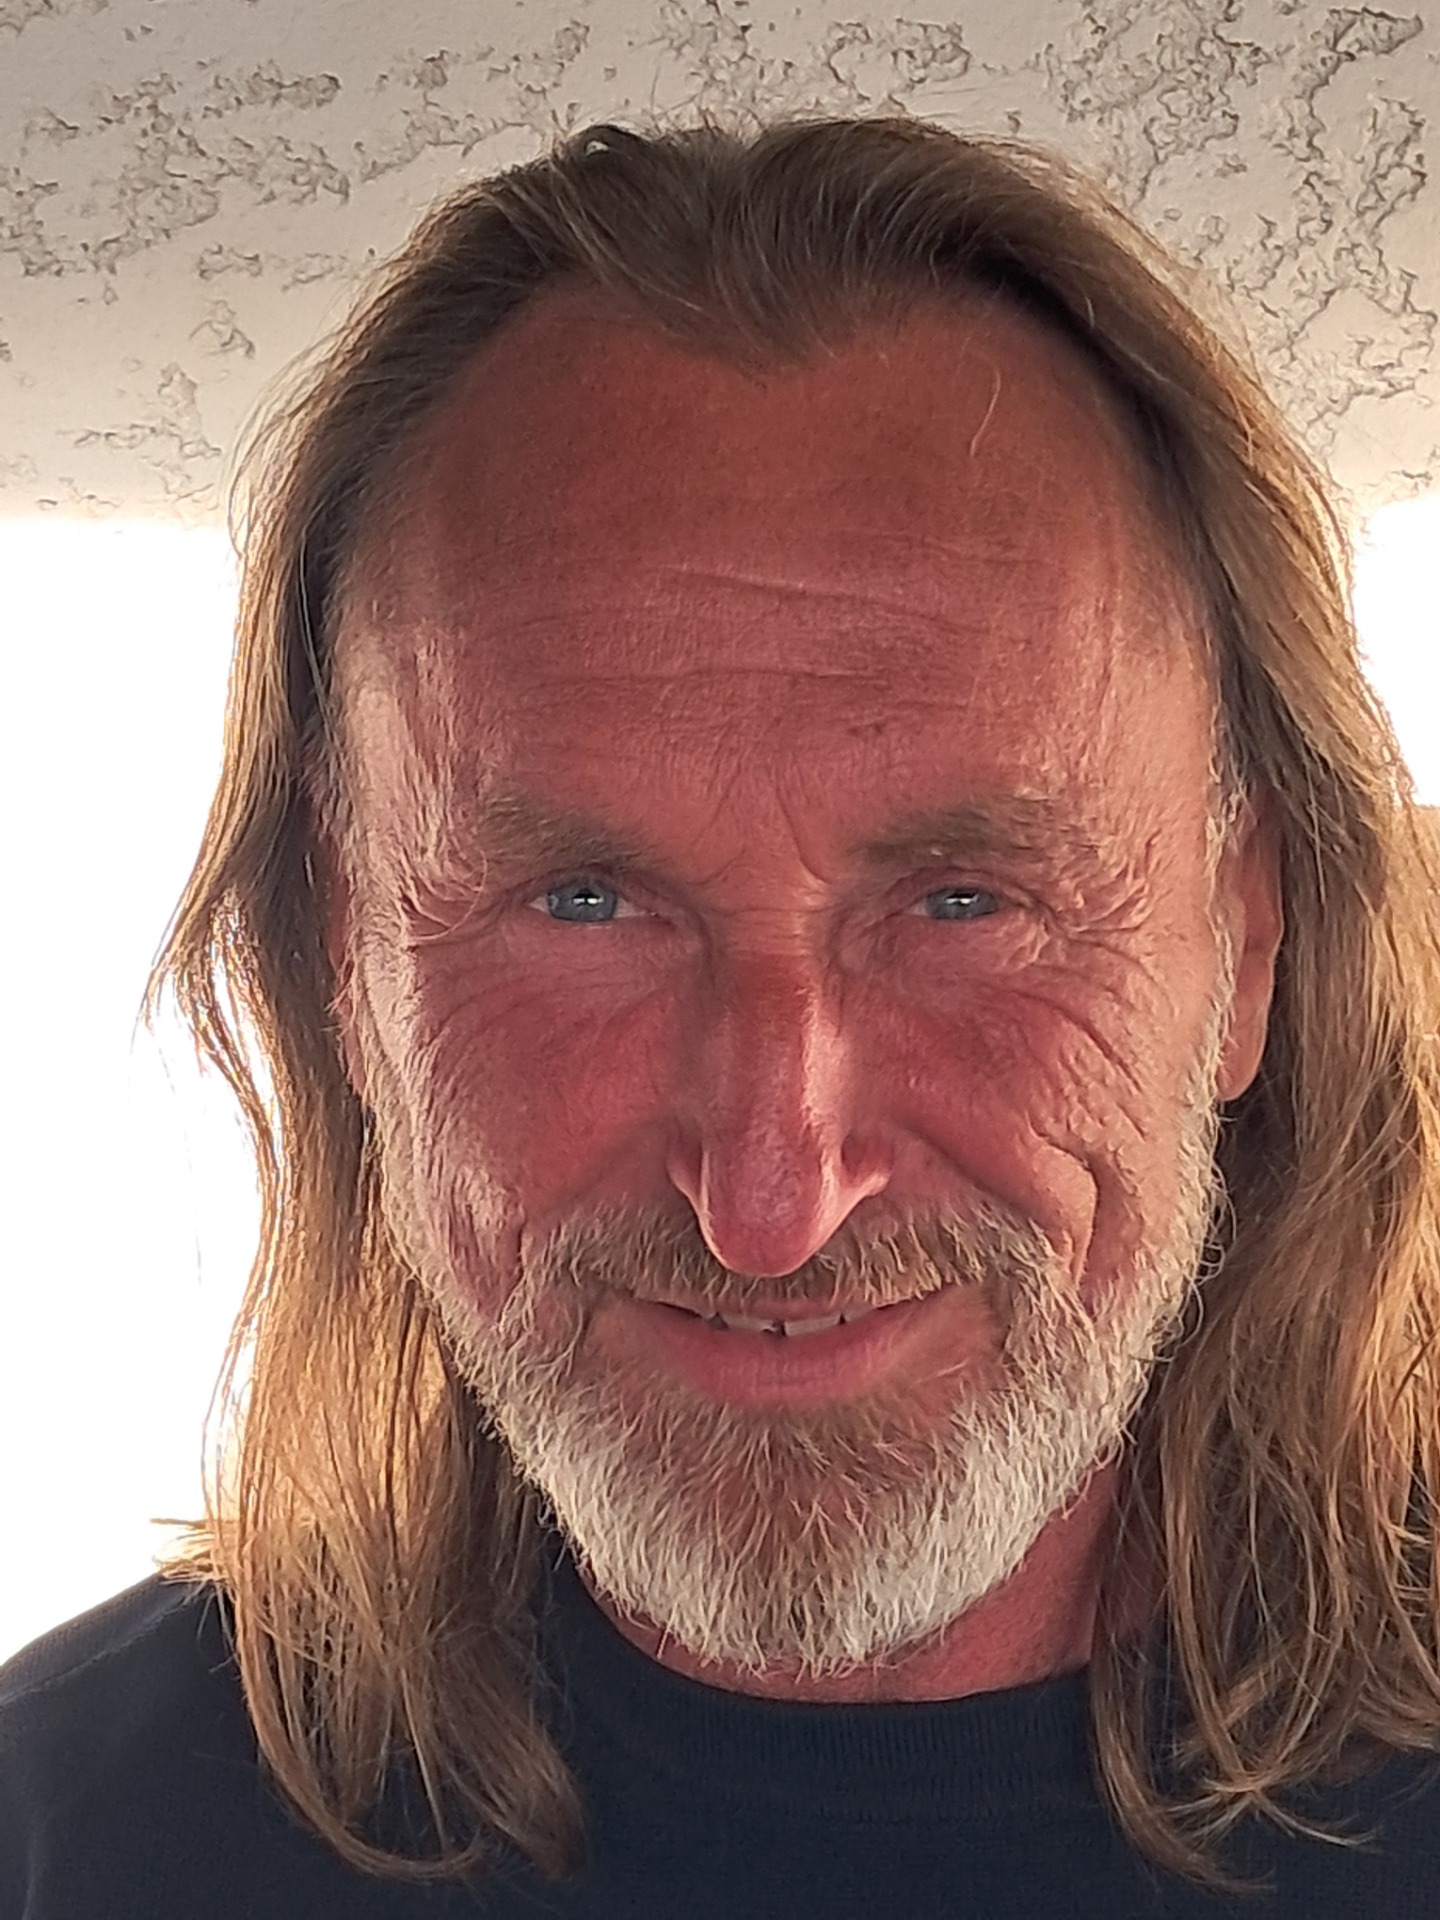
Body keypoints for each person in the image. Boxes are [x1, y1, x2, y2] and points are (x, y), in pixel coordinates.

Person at [3, 115, 1440, 1919]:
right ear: (344, 954)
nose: (771, 1203)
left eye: (966, 903)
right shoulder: (73, 1838)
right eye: (582, 905)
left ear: (1246, 948)